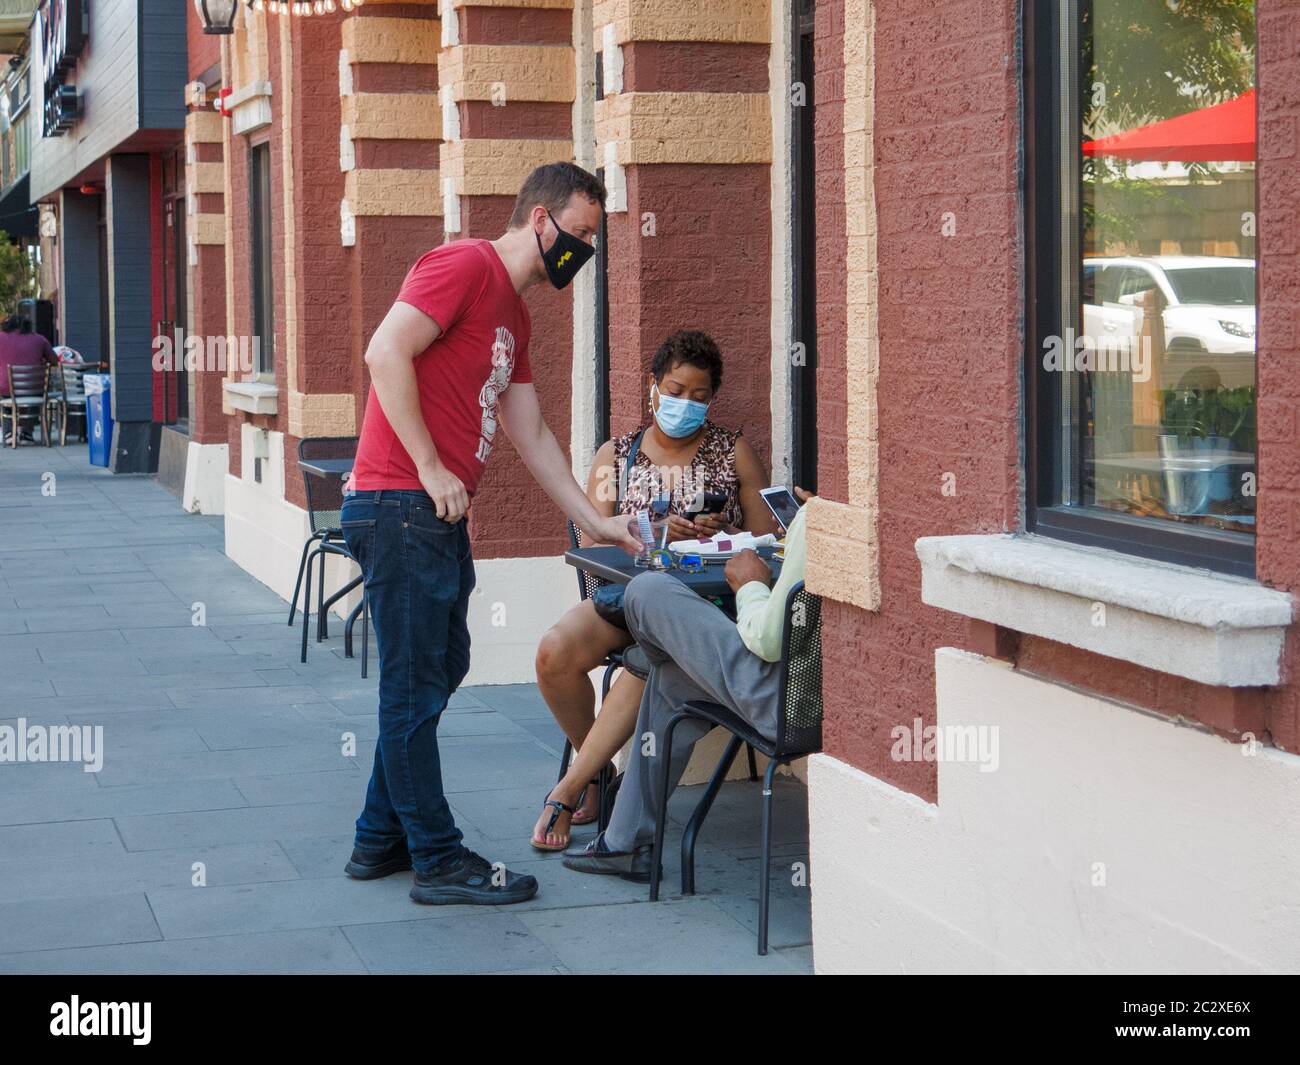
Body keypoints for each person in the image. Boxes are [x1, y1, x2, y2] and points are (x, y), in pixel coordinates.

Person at [341, 162, 640, 906]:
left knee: (441, 664)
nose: (584, 251)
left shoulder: (516, 315)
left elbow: (532, 431)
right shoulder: (464, 264)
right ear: (540, 220)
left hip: (429, 516)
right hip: (401, 503)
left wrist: (594, 518)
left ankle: (380, 836)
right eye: (579, 234)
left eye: (593, 239)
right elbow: (385, 352)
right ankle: (437, 856)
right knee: (414, 683)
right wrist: (430, 467)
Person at [531, 329, 779, 851]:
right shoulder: (616, 455)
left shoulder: (732, 451)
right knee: (554, 653)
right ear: (652, 387)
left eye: (699, 395)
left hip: (707, 605)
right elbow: (592, 538)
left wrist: (720, 536)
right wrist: (654, 531)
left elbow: (768, 543)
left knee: (648, 662)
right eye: (675, 389)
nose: (685, 403)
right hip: (625, 593)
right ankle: (597, 773)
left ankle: (569, 789)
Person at [562, 487, 814, 881]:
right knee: (674, 679)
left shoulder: (818, 522)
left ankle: (658, 655)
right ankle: (623, 844)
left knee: (648, 591)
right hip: (813, 697)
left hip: (783, 701)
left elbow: (767, 641)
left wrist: (749, 584)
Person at [0, 316, 57, 444]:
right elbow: (54, 361)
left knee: (6, 394)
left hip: (6, 388)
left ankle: (9, 433)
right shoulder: (39, 339)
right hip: (34, 388)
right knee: (35, 394)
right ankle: (26, 433)